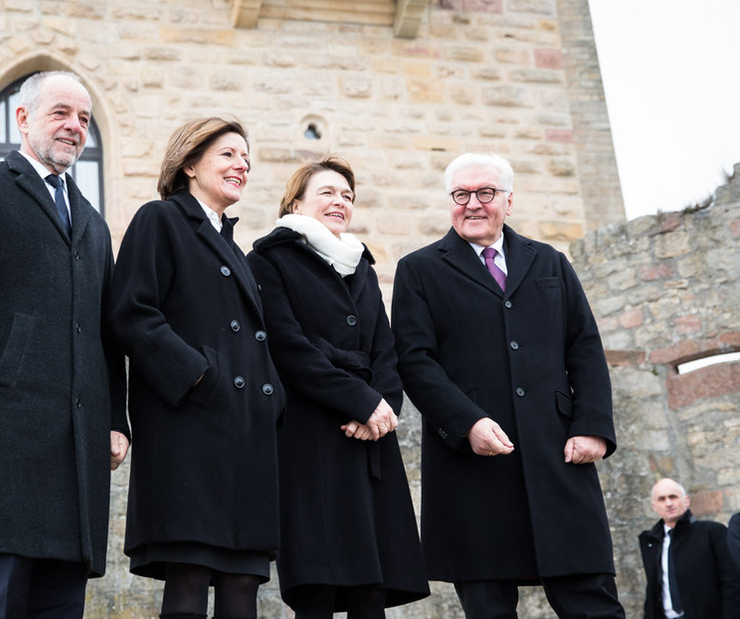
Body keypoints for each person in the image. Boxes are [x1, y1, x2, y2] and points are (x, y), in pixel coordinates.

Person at [0, 70, 130, 617]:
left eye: (84, 119)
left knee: (61, 603)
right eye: (61, 113)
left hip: (75, 448)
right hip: (1, 437)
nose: (74, 127)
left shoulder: (93, 223)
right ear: (23, 118)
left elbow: (107, 331)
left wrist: (116, 419)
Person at [391, 152, 625, 618]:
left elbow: (584, 348)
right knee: (488, 606)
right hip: (472, 464)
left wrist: (594, 426)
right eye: (461, 195)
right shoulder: (419, 269)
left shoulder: (551, 262)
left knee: (592, 603)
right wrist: (467, 423)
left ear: (508, 201)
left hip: (556, 453)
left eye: (485, 193)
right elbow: (415, 361)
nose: (472, 204)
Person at [108, 117, 284, 619]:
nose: (241, 165)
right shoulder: (158, 220)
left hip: (247, 434)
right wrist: (198, 376)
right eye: (228, 154)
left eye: (246, 158)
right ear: (189, 164)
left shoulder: (236, 248)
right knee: (189, 576)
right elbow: (131, 313)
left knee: (242, 582)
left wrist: (272, 398)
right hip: (188, 430)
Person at [247, 156, 430, 618]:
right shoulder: (268, 259)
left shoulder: (362, 265)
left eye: (347, 195)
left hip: (370, 441)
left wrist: (383, 410)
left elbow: (386, 350)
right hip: (311, 439)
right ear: (296, 203)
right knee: (319, 587)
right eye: (327, 192)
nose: (340, 201)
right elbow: (288, 347)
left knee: (373, 589)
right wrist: (362, 401)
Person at [638, 478, 740, 618]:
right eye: (661, 499)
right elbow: (653, 592)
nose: (668, 503)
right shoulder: (651, 543)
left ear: (686, 500)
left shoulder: (712, 532)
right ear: (654, 506)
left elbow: (732, 584)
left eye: (673, 497)